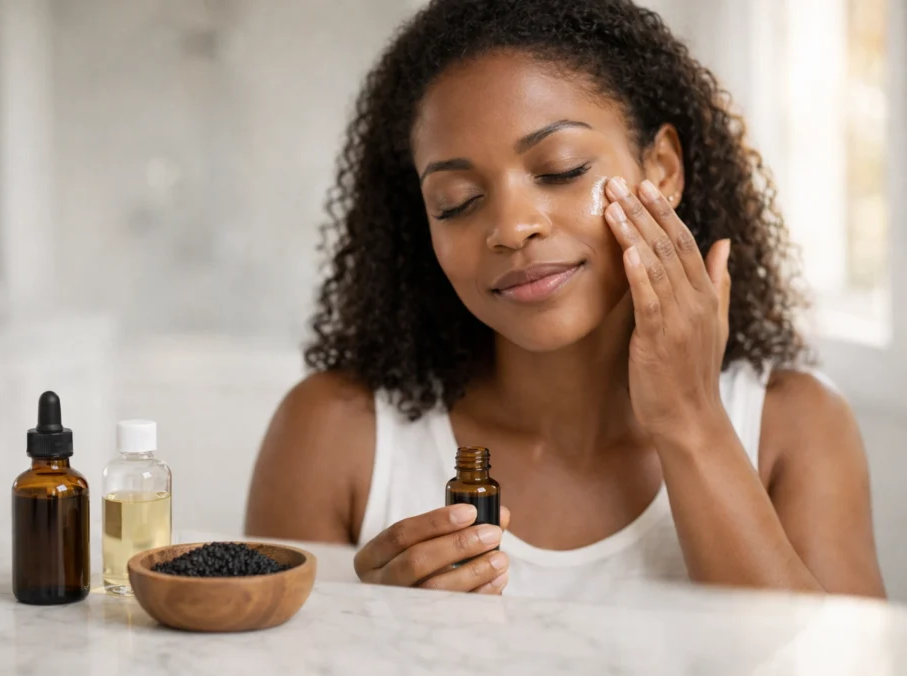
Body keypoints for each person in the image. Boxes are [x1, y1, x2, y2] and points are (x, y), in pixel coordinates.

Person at [245, 0, 886, 599]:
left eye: (561, 170)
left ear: (662, 169)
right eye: (456, 202)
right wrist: (374, 635)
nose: (511, 227)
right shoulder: (335, 434)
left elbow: (834, 663)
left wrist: (691, 421)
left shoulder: (794, 427)